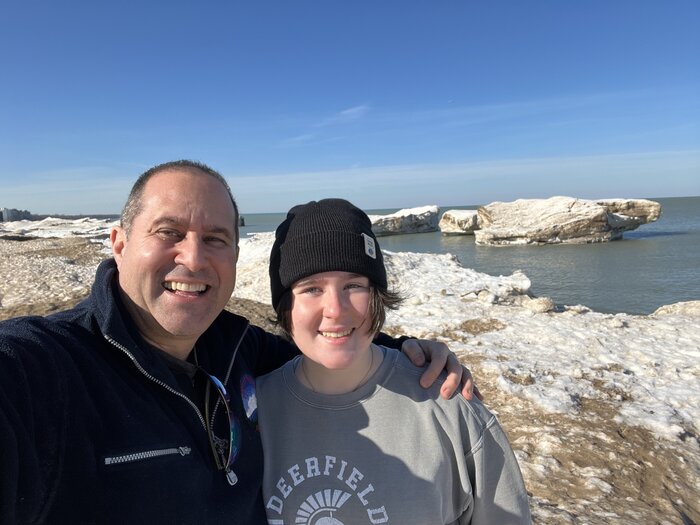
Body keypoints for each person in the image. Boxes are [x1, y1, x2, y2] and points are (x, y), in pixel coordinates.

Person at [0, 160, 477, 524]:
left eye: (215, 238)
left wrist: (408, 351)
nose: (193, 257)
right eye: (169, 232)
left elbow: (325, 342)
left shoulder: (238, 349)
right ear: (119, 242)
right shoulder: (43, 371)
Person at [257, 199, 531, 524]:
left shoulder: (448, 406)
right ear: (285, 306)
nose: (335, 308)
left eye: (354, 286)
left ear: (376, 295)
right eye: (311, 288)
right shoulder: (250, 411)